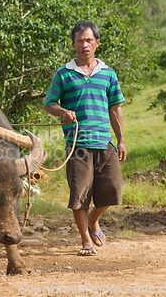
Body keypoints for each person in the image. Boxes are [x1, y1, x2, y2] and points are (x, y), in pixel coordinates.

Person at [43, 20, 126, 256]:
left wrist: (120, 139)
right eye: (80, 41)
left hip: (104, 141)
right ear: (73, 45)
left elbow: (115, 107)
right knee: (79, 195)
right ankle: (86, 240)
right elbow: (49, 103)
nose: (84, 45)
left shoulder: (108, 74)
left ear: (97, 43)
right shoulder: (64, 74)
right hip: (77, 144)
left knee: (113, 189)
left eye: (89, 40)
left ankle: (93, 220)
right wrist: (63, 113)